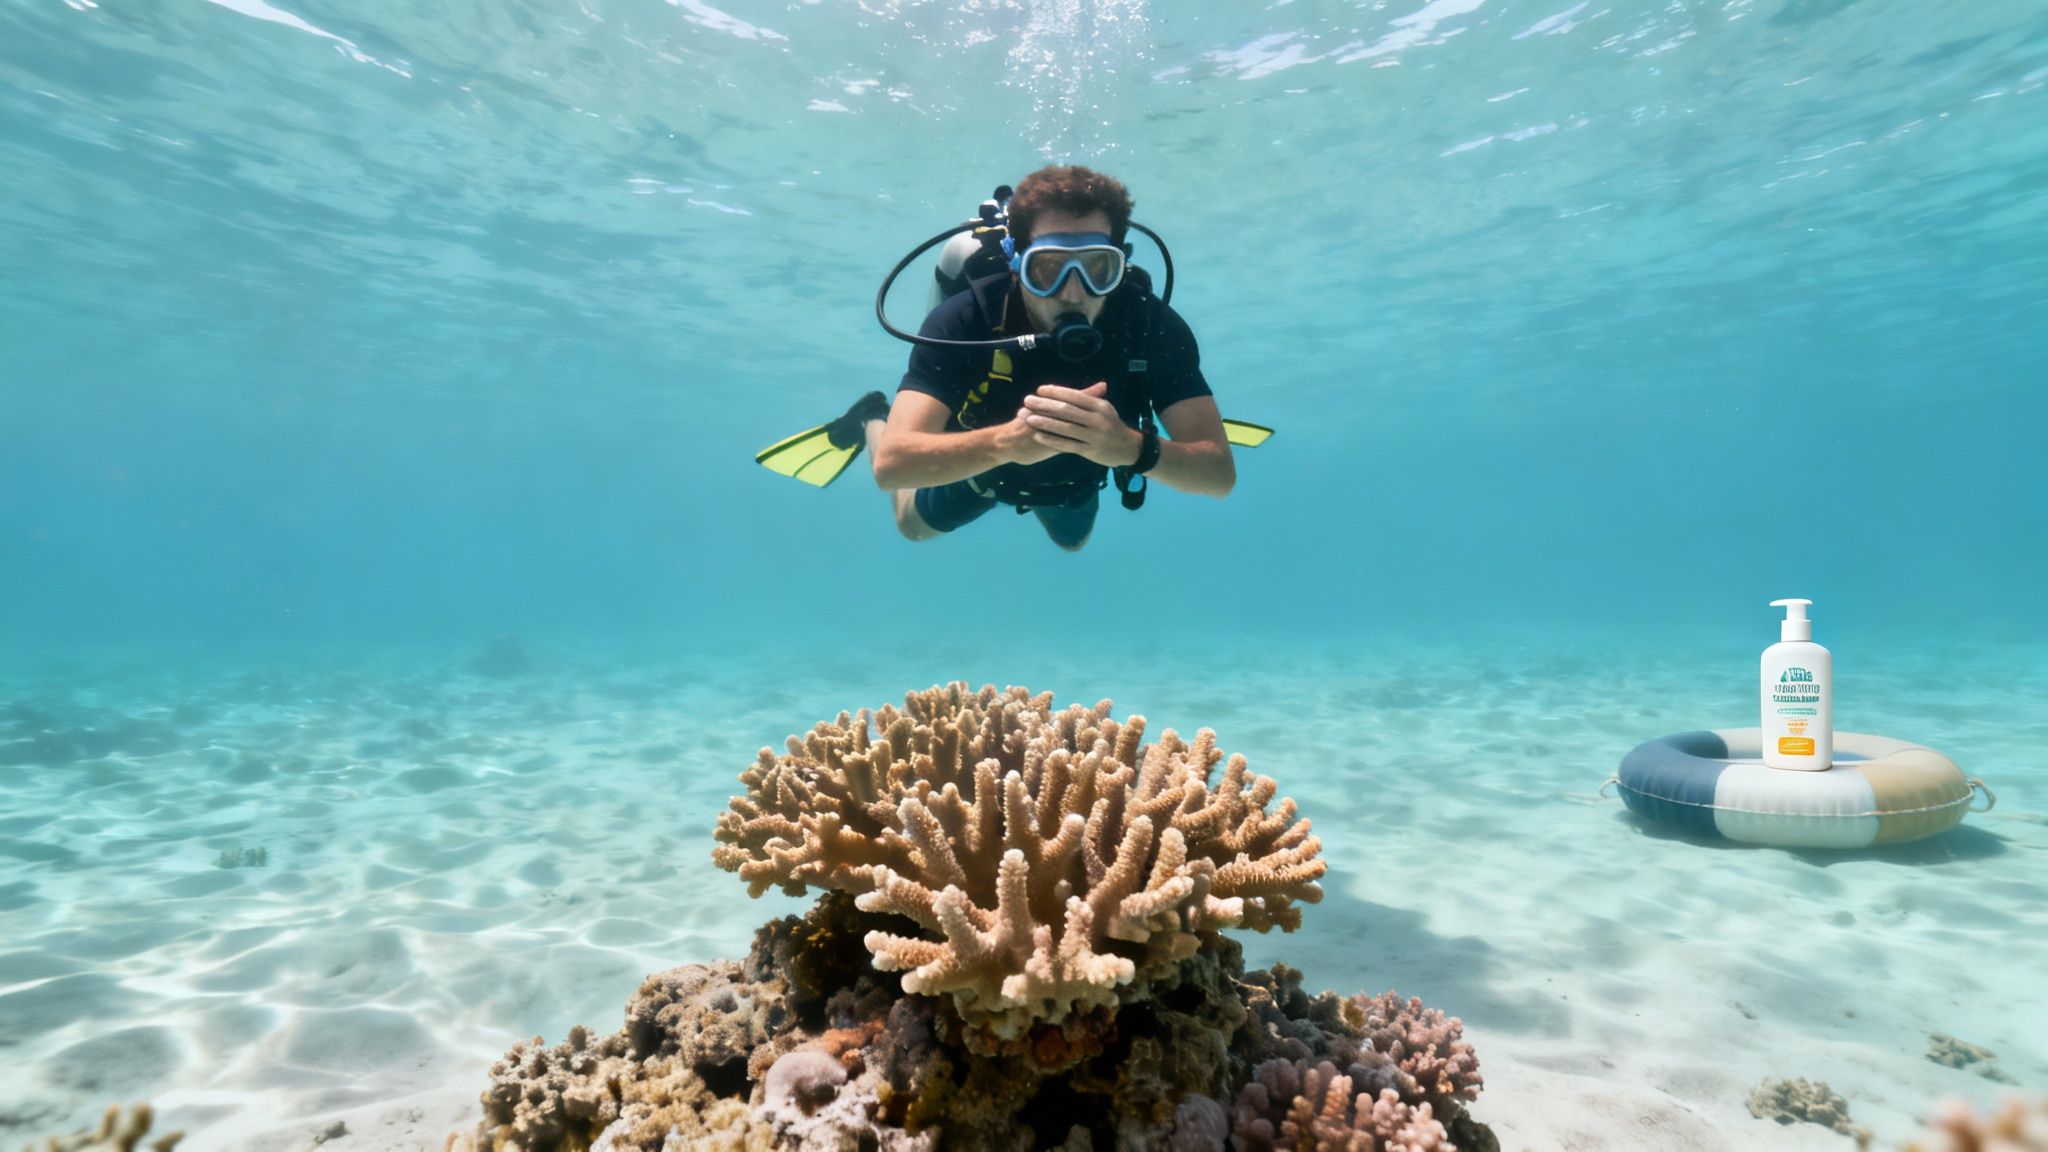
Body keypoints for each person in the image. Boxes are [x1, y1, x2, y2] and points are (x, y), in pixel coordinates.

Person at [774, 166, 1236, 551]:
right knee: (911, 526)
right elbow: (893, 465)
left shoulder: (1150, 325)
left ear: (1121, 262)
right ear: (1016, 261)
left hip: (1082, 473)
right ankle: (873, 416)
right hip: (983, 471)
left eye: (1098, 268)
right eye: (1048, 269)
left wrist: (1131, 448)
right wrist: (1008, 445)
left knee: (1073, 544)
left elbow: (1219, 475)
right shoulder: (966, 321)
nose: (1073, 292)